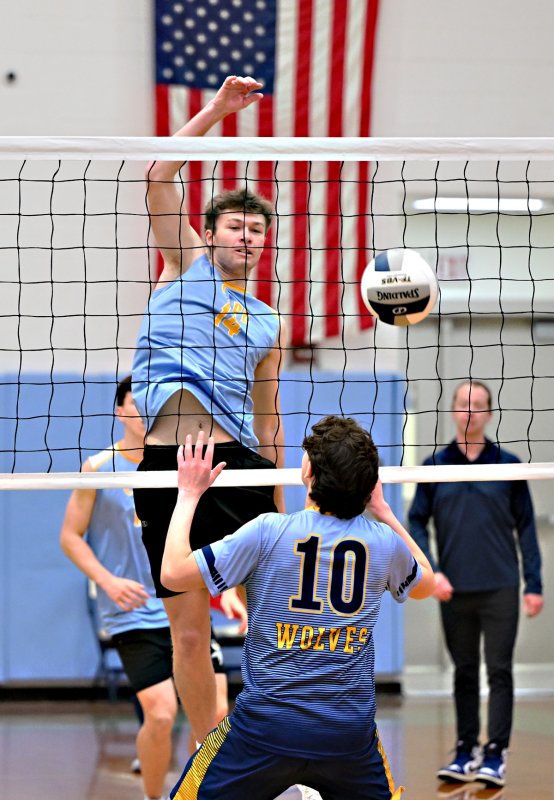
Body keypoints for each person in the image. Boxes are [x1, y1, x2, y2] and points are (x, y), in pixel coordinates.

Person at [160, 416, 436, 800]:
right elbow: (427, 582)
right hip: (347, 739)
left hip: (264, 731)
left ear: (308, 472)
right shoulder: (384, 543)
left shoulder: (268, 531)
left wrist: (189, 494)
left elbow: (172, 574)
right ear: (368, 484)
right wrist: (385, 511)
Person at [132, 75, 285, 746]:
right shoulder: (186, 263)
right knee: (190, 635)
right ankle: (207, 758)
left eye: (257, 232)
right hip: (168, 469)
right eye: (236, 227)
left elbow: (270, 418)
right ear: (211, 233)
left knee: (271, 623)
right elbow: (157, 175)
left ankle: (283, 746)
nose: (247, 238)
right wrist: (218, 110)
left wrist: (278, 496)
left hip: (238, 469)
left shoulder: (267, 320)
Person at [59, 376, 228, 800]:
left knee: (217, 713)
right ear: (120, 411)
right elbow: (70, 536)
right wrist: (107, 581)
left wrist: (226, 589)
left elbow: (205, 535)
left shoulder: (182, 464)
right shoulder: (98, 469)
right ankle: (154, 796)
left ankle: (196, 791)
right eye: (137, 404)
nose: (146, 412)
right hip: (132, 612)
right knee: (162, 714)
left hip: (183, 604)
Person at [408, 380, 544, 789]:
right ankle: (465, 750)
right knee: (464, 672)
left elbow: (527, 528)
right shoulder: (434, 466)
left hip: (501, 586)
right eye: (464, 404)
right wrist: (432, 572)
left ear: (489, 413)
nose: (470, 411)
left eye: (478, 405)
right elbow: (416, 521)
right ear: (453, 409)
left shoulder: (508, 464)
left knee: (499, 670)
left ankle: (495, 754)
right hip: (453, 588)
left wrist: (533, 584)